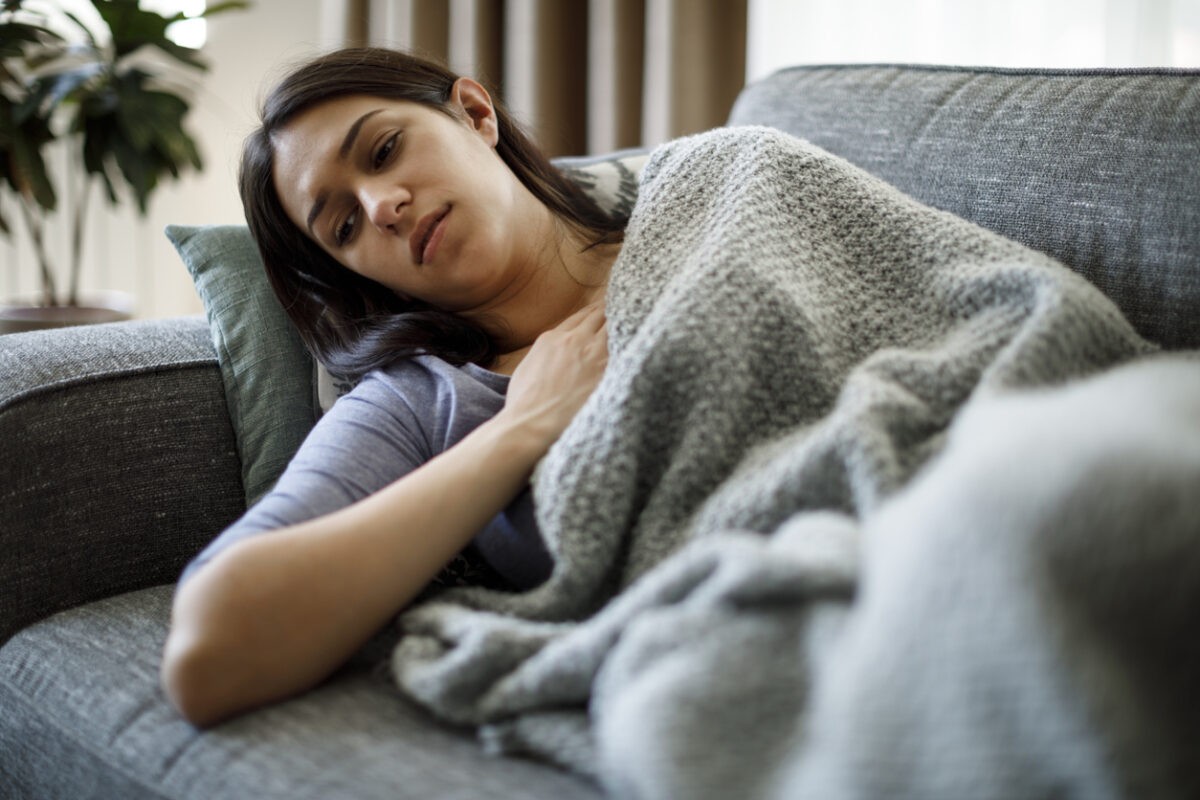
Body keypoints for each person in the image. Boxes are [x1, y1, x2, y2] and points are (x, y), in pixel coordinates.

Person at [160, 47, 625, 727]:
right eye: (343, 227)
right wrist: (521, 429)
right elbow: (208, 654)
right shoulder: (418, 401)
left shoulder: (712, 195)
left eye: (383, 151)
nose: (382, 207)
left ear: (474, 113)